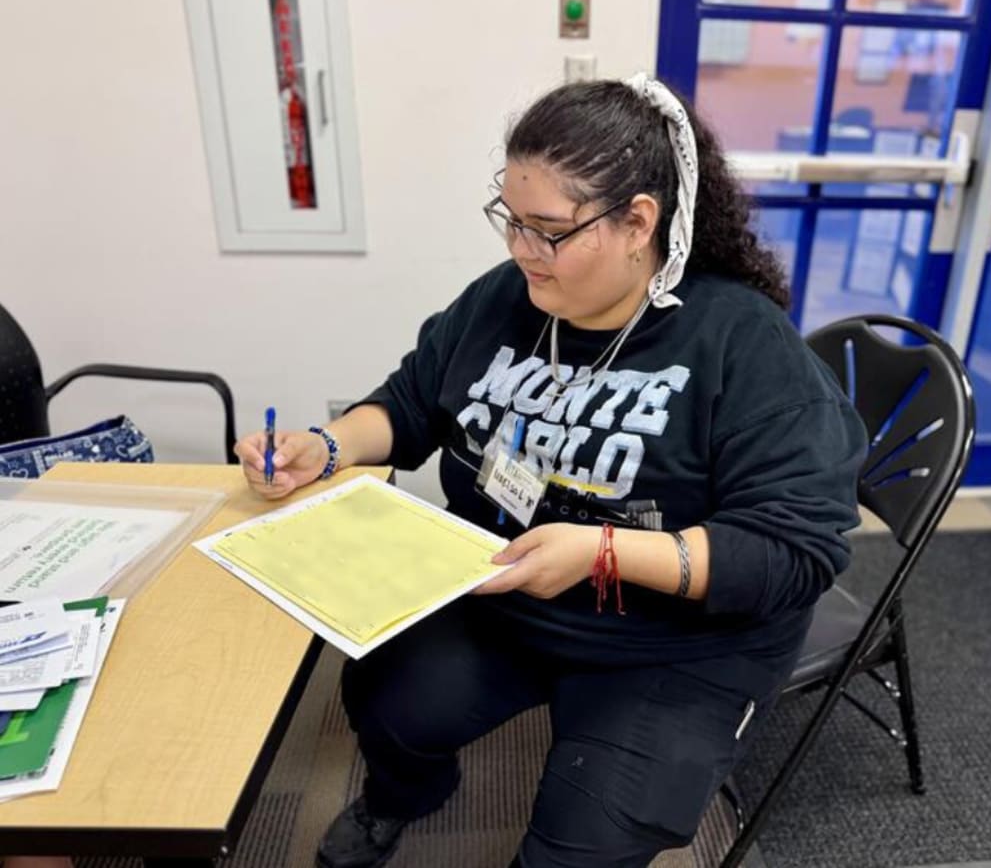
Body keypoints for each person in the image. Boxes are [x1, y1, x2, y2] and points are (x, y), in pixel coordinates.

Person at [234, 74, 867, 868]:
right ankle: (404, 797)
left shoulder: (743, 345)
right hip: (511, 591)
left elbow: (791, 553)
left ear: (639, 221)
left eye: (550, 230)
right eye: (511, 220)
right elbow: (410, 403)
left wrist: (600, 552)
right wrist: (323, 446)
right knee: (383, 698)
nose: (521, 250)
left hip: (675, 642)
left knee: (577, 849)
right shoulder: (507, 298)